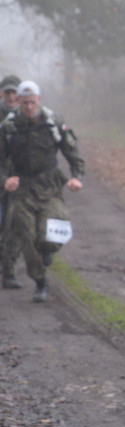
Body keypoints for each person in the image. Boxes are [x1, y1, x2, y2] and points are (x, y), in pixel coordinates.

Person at [0, 81, 85, 301]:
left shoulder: (53, 123)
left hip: (50, 187)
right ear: (18, 101)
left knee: (53, 233)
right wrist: (5, 180)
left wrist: (76, 177)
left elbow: (72, 153)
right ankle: (41, 282)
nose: (29, 107)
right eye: (24, 102)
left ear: (39, 100)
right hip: (22, 190)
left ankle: (47, 251)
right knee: (28, 238)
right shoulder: (8, 128)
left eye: (32, 102)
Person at [0, 74, 21, 288]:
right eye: (8, 92)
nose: (11, 96)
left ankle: (9, 271)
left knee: (14, 226)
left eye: (15, 92)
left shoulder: (27, 116)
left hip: (19, 179)